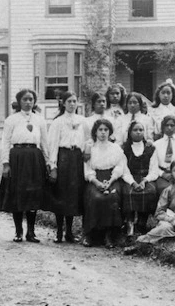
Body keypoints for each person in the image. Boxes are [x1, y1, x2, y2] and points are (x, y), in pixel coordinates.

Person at [0, 89, 50, 243]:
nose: (28, 102)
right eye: (25, 99)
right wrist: (6, 163)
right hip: (17, 158)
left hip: (34, 157)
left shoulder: (40, 119)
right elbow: (5, 142)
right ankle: (18, 231)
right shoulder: (11, 120)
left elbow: (45, 143)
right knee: (18, 193)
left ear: (34, 101)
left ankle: (31, 232)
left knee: (33, 194)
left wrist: (48, 163)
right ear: (19, 101)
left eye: (31, 99)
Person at [82, 119, 138, 248]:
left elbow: (120, 167)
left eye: (106, 130)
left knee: (111, 197)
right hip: (95, 179)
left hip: (112, 178)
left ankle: (109, 235)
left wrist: (111, 181)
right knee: (96, 197)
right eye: (100, 130)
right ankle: (91, 235)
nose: (103, 133)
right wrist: (97, 183)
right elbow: (88, 170)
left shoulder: (115, 148)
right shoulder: (91, 149)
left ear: (110, 132)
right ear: (95, 132)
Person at [43, 91, 86, 243]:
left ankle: (69, 231)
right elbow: (52, 144)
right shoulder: (58, 122)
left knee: (73, 195)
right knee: (61, 193)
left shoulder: (82, 121)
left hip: (77, 159)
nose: (72, 104)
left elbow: (86, 140)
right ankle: (59, 231)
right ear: (63, 103)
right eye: (69, 101)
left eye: (74, 101)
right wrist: (53, 166)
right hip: (63, 158)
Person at [121, 120, 158, 237]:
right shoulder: (125, 148)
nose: (138, 132)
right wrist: (132, 183)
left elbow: (154, 170)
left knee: (150, 191)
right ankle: (130, 223)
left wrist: (144, 181)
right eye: (135, 130)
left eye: (141, 130)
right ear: (130, 132)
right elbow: (124, 170)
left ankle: (142, 222)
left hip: (146, 178)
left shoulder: (150, 148)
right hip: (130, 177)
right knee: (128, 192)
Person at [146, 115, 175, 196]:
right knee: (164, 189)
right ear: (163, 127)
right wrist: (162, 174)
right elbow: (153, 165)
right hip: (162, 175)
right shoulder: (156, 144)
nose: (169, 128)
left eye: (172, 125)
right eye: (167, 125)